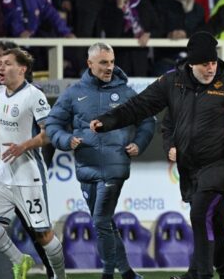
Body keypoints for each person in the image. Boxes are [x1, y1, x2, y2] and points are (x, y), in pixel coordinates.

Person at [89, 32, 224, 279]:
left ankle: (200, 275)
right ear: (191, 63)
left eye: (213, 62)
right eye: (204, 64)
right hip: (190, 168)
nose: (210, 68)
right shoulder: (173, 82)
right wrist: (108, 121)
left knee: (200, 214)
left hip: (220, 164)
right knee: (215, 224)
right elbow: (140, 105)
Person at [45, 43, 155, 279]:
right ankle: (127, 273)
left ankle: (108, 273)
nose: (109, 67)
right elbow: (52, 123)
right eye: (104, 62)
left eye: (112, 62)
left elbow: (148, 121)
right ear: (90, 64)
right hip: (86, 168)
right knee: (105, 223)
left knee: (101, 220)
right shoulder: (74, 93)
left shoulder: (125, 93)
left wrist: (139, 143)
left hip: (114, 166)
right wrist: (65, 139)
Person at [0, 48, 67, 279]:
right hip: (3, 171)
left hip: (29, 174)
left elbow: (48, 134)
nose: (0, 67)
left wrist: (23, 146)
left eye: (7, 63)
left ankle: (59, 276)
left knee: (44, 235)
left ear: (22, 69)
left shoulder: (33, 95)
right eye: (0, 63)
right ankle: (20, 260)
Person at [99, 0, 160, 77]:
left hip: (139, 56)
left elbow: (158, 27)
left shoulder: (145, 5)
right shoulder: (110, 3)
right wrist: (119, 10)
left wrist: (149, 34)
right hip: (118, 55)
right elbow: (111, 32)